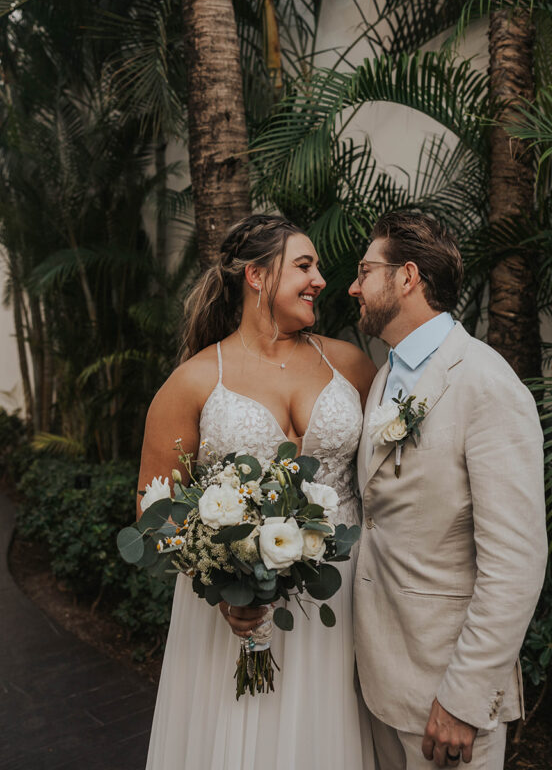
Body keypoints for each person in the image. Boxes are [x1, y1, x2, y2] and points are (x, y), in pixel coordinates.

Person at [139, 214, 377, 770]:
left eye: (316, 266)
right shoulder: (195, 381)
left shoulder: (350, 364)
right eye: (304, 265)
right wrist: (221, 583)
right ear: (256, 276)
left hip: (339, 601)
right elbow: (153, 512)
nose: (320, 278)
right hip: (233, 611)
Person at [349, 212, 547, 770]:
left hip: (446, 698)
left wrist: (464, 699)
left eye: (366, 271)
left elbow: (517, 562)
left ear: (407, 277)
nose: (353, 286)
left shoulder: (486, 384)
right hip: (381, 681)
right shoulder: (385, 376)